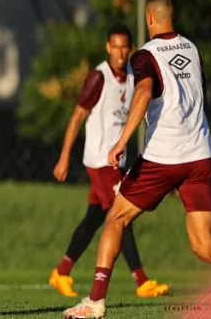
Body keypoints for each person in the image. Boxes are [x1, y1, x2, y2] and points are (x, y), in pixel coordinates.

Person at [63, 0, 211, 319]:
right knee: (204, 245)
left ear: (149, 17)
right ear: (172, 14)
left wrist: (121, 143)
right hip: (200, 156)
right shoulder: (193, 49)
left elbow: (144, 92)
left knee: (115, 218)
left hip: (162, 158)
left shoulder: (144, 56)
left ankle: (94, 302)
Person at [49, 23, 168, 299]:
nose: (120, 52)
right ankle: (141, 281)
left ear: (131, 48)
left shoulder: (133, 76)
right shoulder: (98, 78)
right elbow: (77, 116)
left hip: (117, 161)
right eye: (115, 46)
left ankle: (61, 272)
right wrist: (64, 157)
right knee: (121, 215)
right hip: (99, 160)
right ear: (107, 47)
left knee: (94, 218)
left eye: (125, 46)